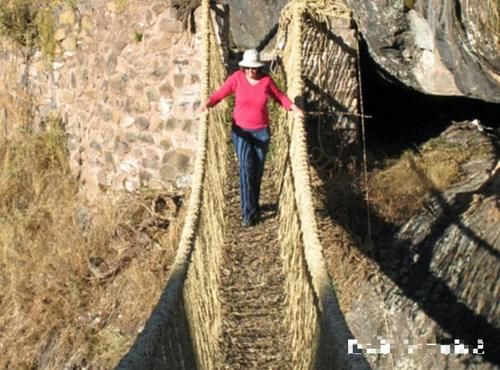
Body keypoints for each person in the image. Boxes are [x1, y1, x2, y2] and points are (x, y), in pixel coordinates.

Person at [202, 48, 304, 226]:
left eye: (253, 68)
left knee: (257, 171)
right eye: (247, 68)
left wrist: (294, 109)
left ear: (259, 68)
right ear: (243, 68)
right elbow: (220, 93)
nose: (250, 71)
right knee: (245, 169)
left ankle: (254, 206)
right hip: (241, 131)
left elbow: (279, 96)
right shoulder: (237, 79)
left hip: (261, 131)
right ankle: (247, 214)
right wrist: (207, 104)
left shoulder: (266, 81)